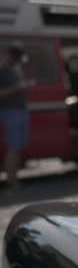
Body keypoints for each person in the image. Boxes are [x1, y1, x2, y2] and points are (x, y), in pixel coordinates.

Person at [0, 46, 34, 190]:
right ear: (9, 56)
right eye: (16, 58)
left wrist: (24, 85)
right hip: (10, 112)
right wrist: (18, 87)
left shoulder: (14, 69)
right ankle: (11, 182)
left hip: (20, 110)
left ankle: (15, 179)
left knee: (18, 147)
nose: (18, 61)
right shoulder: (1, 70)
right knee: (13, 147)